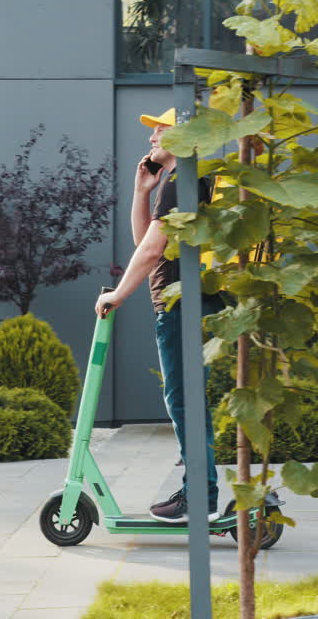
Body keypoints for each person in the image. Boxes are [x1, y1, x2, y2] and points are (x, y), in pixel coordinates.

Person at [95, 107, 221, 523]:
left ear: (184, 135)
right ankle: (199, 490)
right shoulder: (179, 181)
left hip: (181, 305)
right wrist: (140, 191)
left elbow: (150, 253)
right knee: (184, 401)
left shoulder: (185, 179)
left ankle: (200, 494)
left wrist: (118, 294)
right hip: (181, 303)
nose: (152, 139)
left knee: (185, 402)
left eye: (161, 130)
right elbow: (144, 243)